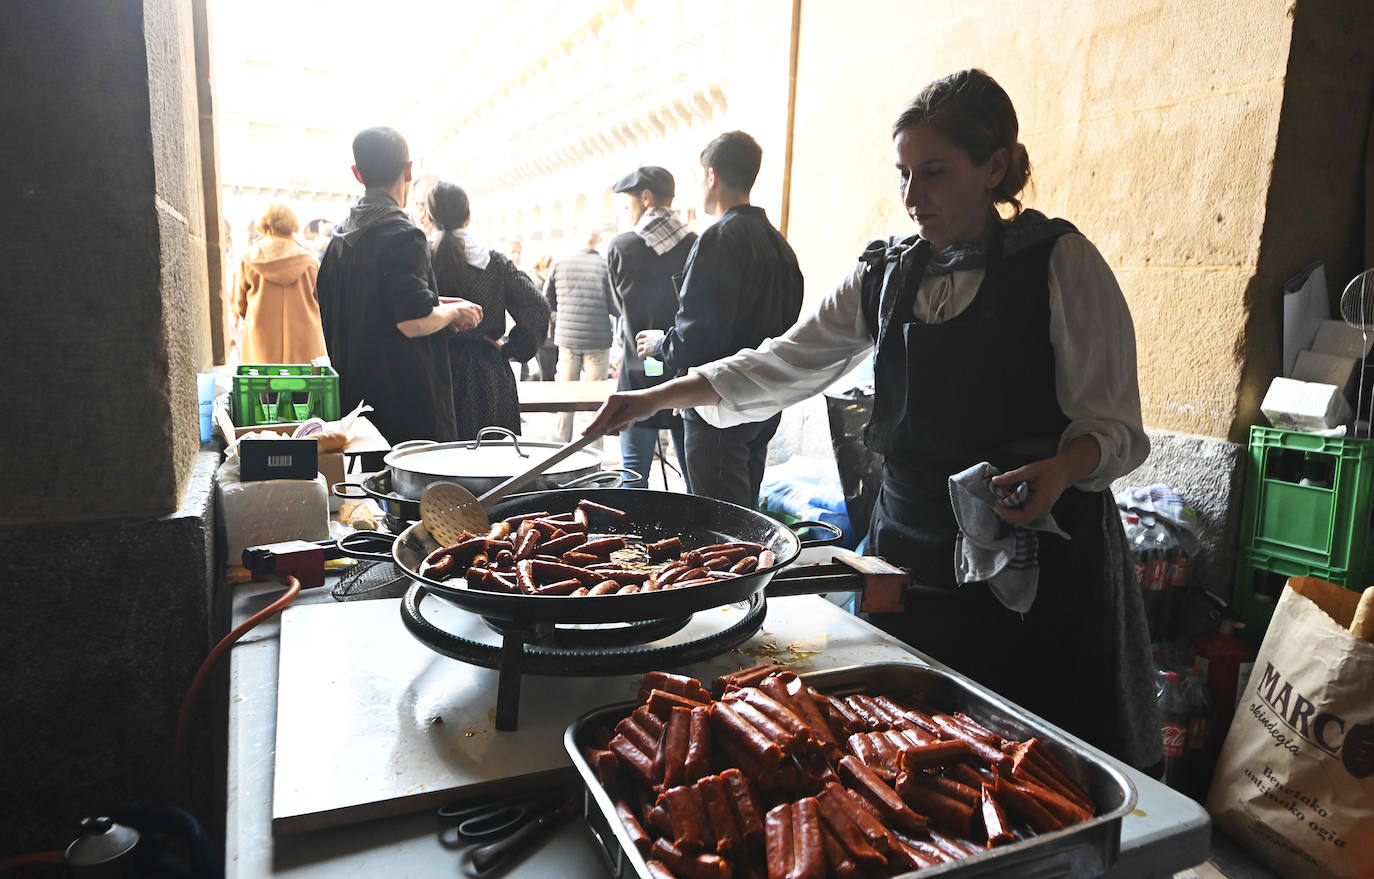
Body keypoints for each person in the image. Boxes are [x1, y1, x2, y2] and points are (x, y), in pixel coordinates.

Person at [589, 70, 1160, 768]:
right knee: (908, 752)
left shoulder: (1058, 264)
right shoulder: (890, 276)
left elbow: (1117, 425)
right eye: (904, 175)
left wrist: (1064, 468)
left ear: (996, 168)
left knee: (1026, 761)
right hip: (909, 550)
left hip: (1033, 565)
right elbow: (784, 361)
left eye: (935, 172)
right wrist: (655, 396)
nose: (913, 197)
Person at [634, 131, 803, 508]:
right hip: (764, 400)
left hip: (720, 406)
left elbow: (698, 337)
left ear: (711, 176)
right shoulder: (779, 245)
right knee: (747, 515)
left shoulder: (719, 239)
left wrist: (660, 344)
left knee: (720, 525)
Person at [317, 126, 482, 446]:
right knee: (413, 493)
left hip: (358, 401)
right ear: (408, 170)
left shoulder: (341, 235)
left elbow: (371, 300)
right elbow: (411, 322)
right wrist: (454, 312)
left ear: (357, 174)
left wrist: (440, 304)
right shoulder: (403, 235)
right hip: (407, 406)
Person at [427, 181, 549, 438]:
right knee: (491, 466)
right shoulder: (493, 261)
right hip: (486, 376)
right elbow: (537, 306)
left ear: (429, 217)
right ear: (468, 218)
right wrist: (512, 348)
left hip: (432, 374)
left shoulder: (420, 260)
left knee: (438, 466)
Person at [606, 166, 698, 489]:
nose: (627, 211)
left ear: (646, 198)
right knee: (695, 482)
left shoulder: (620, 247)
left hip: (637, 375)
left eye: (629, 202)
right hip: (686, 379)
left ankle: (632, 540)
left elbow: (617, 306)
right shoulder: (696, 245)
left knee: (633, 479)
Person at [543, 229, 618, 441]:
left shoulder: (560, 262)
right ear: (599, 241)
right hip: (598, 338)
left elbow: (547, 298)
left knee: (566, 394)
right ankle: (593, 448)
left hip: (567, 338)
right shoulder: (604, 266)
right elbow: (614, 305)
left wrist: (564, 313)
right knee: (596, 399)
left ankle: (560, 445)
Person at [233, 202, 326, 364]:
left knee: (263, 385)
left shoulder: (248, 258)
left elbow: (239, 305)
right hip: (304, 345)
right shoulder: (310, 262)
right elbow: (323, 302)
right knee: (304, 386)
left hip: (261, 344)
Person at [529, 253, 558, 381]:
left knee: (550, 372)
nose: (550, 271)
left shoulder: (551, 283)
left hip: (553, 336)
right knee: (546, 374)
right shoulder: (534, 285)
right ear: (539, 268)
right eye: (547, 267)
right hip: (543, 338)